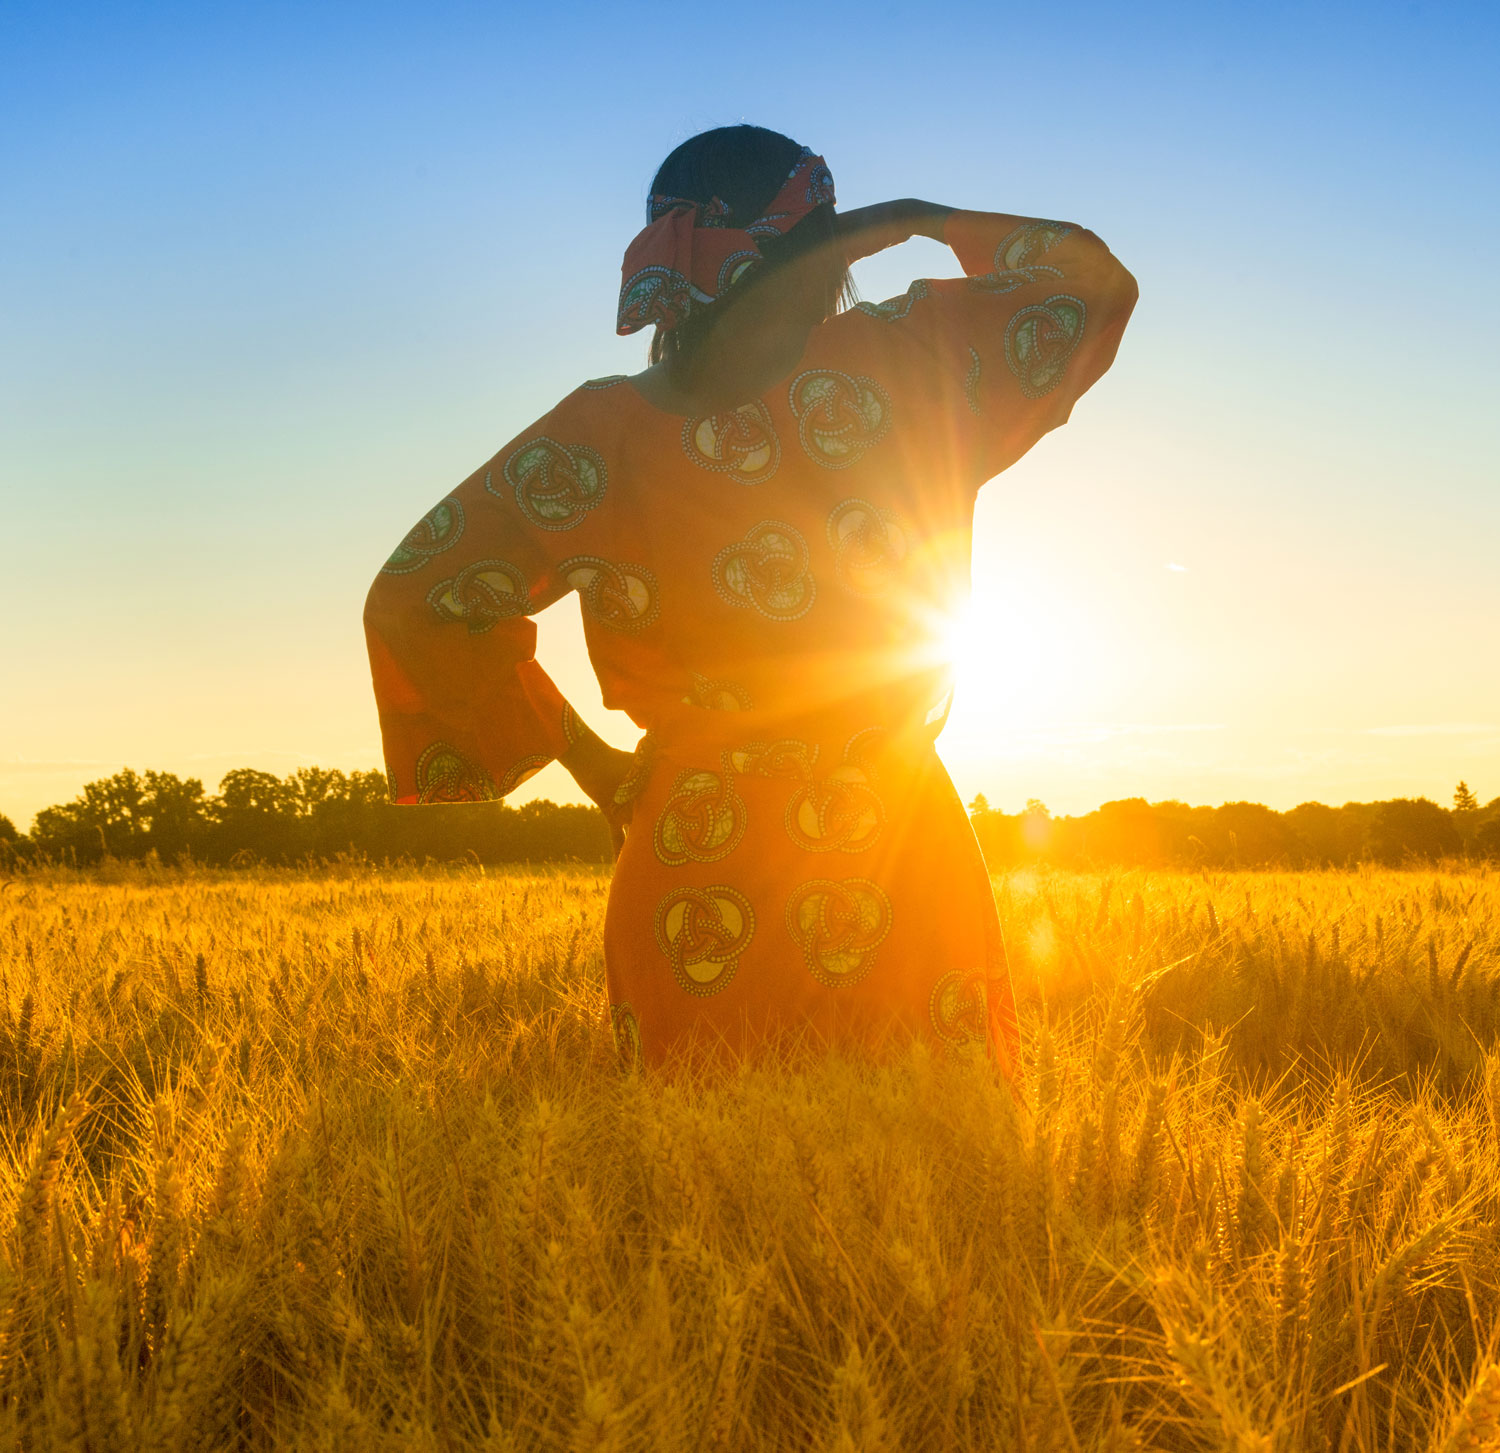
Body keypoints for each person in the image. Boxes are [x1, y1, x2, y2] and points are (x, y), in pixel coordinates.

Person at [364, 124, 1137, 1071]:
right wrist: (919, 221)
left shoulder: (597, 434)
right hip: (893, 850)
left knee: (706, 1191)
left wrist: (598, 767)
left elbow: (416, 599)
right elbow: (1091, 286)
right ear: (824, 251)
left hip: (694, 872)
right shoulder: (909, 361)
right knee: (941, 1183)